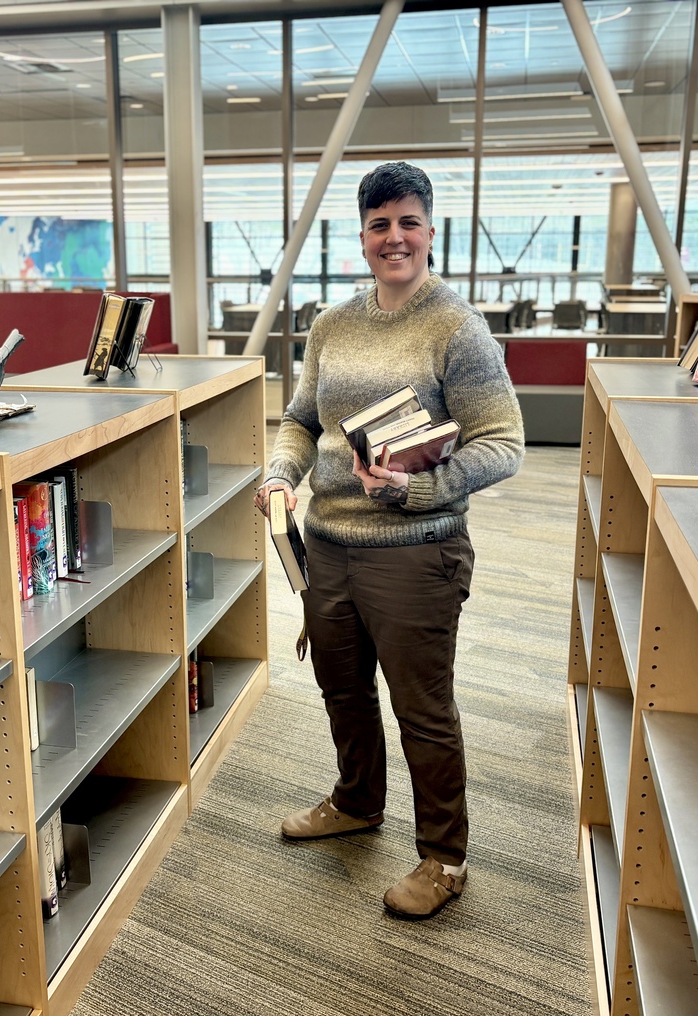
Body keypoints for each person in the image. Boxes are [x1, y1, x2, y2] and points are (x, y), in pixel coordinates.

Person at [254, 161, 524, 920]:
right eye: (380, 225)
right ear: (362, 236)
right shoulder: (331, 324)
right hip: (327, 545)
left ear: (430, 232)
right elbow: (302, 420)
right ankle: (355, 802)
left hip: (416, 552)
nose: (394, 237)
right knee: (341, 688)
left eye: (408, 222)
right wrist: (282, 474)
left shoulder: (456, 328)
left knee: (421, 709)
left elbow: (503, 444)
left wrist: (417, 488)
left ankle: (444, 857)